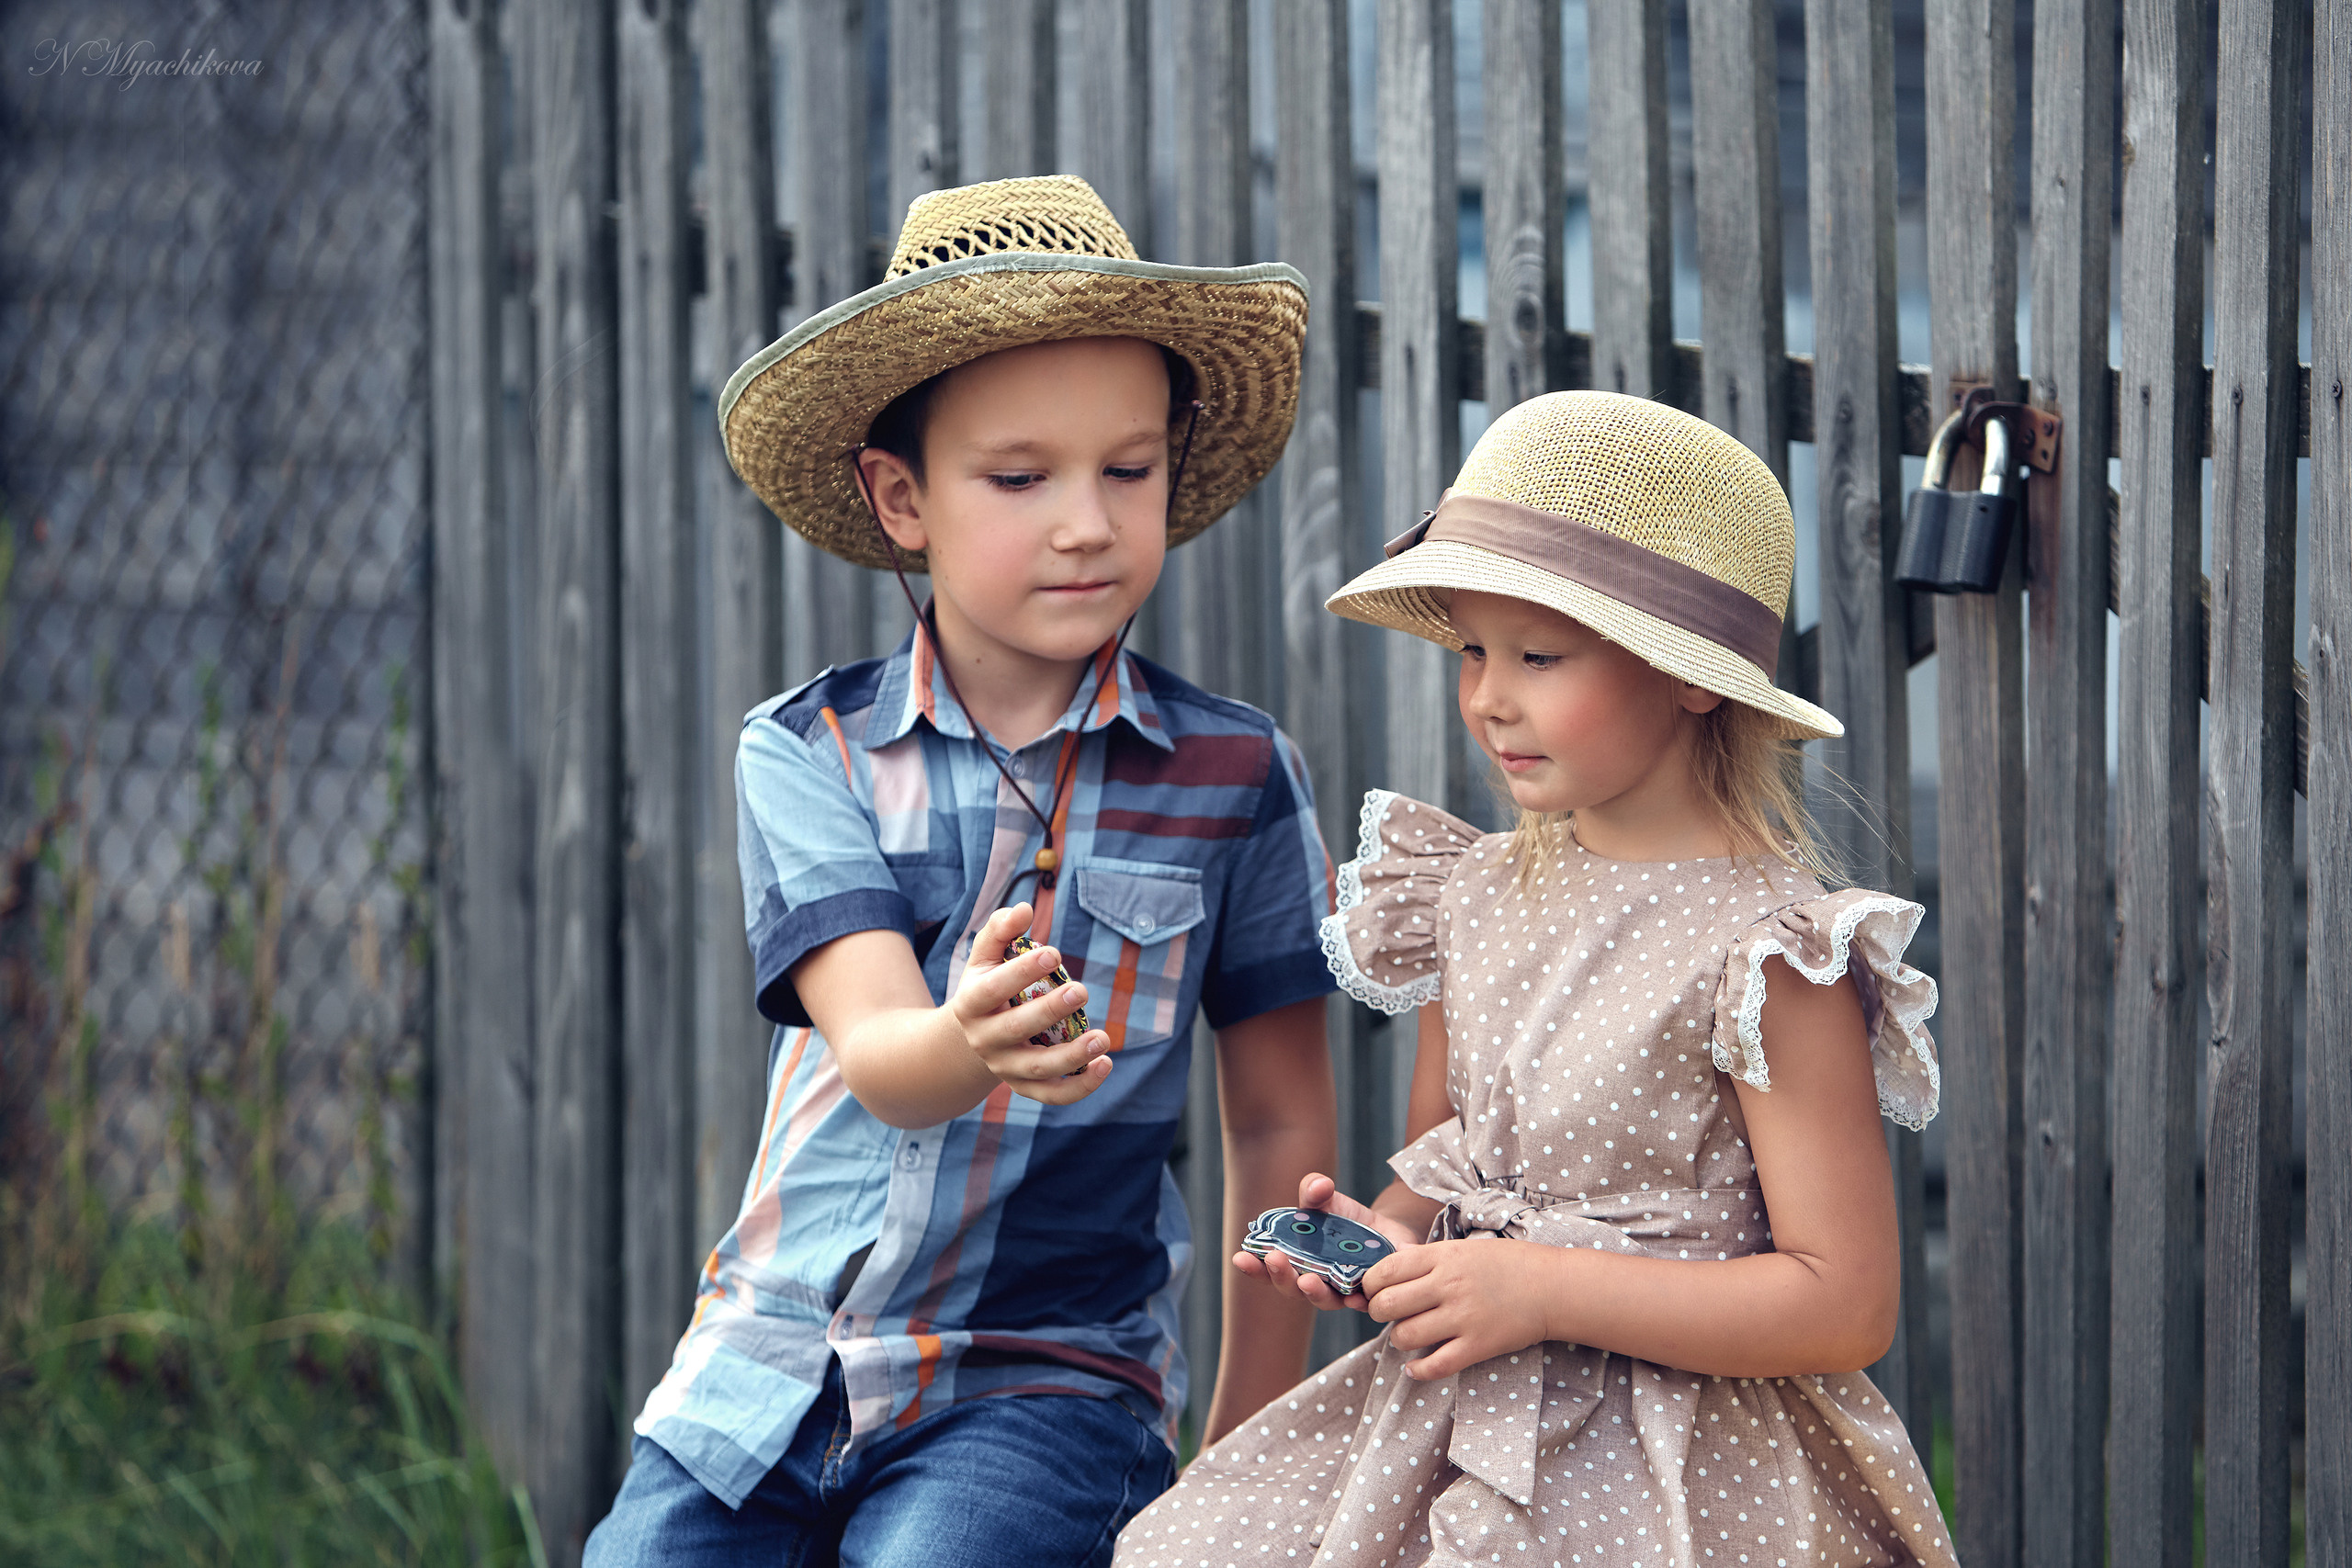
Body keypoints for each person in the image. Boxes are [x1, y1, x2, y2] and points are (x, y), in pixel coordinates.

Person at [587, 176, 1340, 1568]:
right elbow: (879, 1049)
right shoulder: (809, 747)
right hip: (769, 1357)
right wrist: (967, 1036)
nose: (1086, 523)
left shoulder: (1236, 777)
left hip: (1041, 1377)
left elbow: (1277, 1119)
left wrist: (1248, 1439)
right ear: (901, 497)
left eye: (1128, 469)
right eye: (1018, 476)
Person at [1114, 390, 1959, 1568]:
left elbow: (1844, 1299)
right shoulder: (1470, 893)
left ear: (1692, 676)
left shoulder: (1773, 951)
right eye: (1472, 648)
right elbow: (1444, 1162)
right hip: (1452, 1412)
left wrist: (1542, 1292)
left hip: (1679, 1459)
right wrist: (1384, 1243)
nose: (1487, 697)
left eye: (1539, 655)